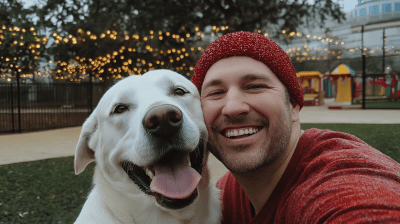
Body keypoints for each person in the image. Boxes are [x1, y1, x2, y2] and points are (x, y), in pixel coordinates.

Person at [191, 31, 400, 223]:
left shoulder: (344, 187)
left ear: (293, 105)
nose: (233, 107)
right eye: (216, 92)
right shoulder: (230, 192)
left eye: (255, 87)